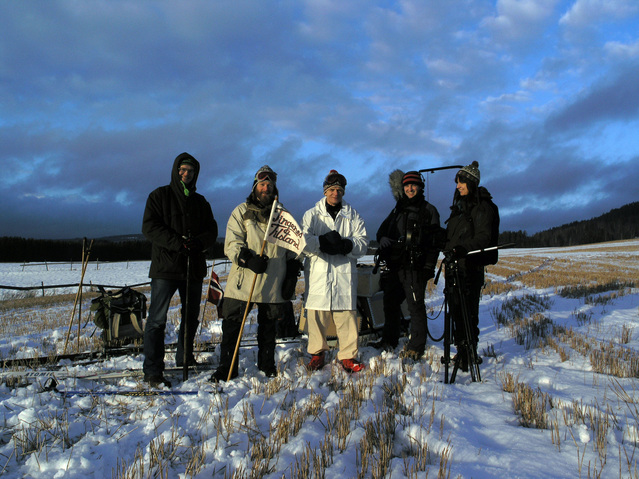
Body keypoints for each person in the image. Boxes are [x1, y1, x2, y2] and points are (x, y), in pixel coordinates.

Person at [210, 165, 293, 382]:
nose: (266, 188)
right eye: (262, 184)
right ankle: (227, 369)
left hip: (272, 282)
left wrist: (292, 271)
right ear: (255, 187)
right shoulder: (241, 211)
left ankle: (267, 366)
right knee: (232, 328)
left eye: (270, 185)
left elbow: (293, 248)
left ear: (275, 188)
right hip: (243, 281)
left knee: (268, 329)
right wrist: (247, 259)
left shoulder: (283, 216)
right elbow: (232, 243)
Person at [142, 152, 218, 388]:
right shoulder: (159, 196)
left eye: (190, 171)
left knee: (191, 317)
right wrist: (178, 243)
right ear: (176, 171)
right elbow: (149, 227)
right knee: (156, 320)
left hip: (192, 268)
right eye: (182, 170)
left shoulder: (200, 202)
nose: (185, 174)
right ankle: (153, 370)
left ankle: (185, 356)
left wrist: (199, 243)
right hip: (166, 268)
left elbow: (212, 230)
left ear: (195, 175)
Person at [302, 170, 369, 373]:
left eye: (339, 190)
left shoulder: (353, 215)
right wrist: (321, 242)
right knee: (316, 317)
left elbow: (363, 243)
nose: (335, 193)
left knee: (346, 317)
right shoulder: (311, 215)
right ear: (325, 191)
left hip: (343, 275)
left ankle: (348, 356)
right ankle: (317, 354)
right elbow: (303, 241)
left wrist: (346, 245)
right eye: (331, 189)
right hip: (319, 274)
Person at [374, 170, 441, 359]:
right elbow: (381, 231)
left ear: (420, 187)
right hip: (395, 266)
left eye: (414, 185)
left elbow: (435, 243)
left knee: (415, 306)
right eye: (406, 185)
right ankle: (389, 340)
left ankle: (417, 345)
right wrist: (383, 238)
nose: (410, 188)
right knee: (390, 303)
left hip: (415, 267)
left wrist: (428, 267)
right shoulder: (398, 209)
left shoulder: (429, 210)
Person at [444, 161, 494, 371]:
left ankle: (470, 352)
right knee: (456, 311)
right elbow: (452, 238)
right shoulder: (458, 209)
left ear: (471, 183)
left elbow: (485, 237)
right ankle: (461, 350)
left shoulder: (484, 207)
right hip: (454, 269)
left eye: (461, 182)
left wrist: (463, 249)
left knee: (469, 313)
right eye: (457, 182)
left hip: (470, 268)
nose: (458, 186)